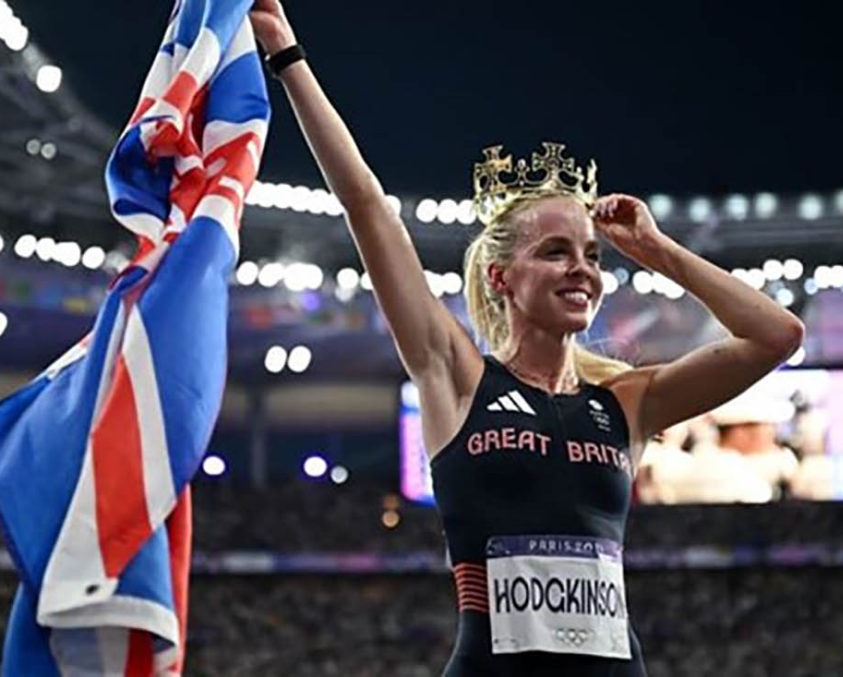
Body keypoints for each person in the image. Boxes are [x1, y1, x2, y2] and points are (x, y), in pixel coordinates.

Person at [249, 2, 804, 673]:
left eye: (593, 255)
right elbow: (368, 205)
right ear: (502, 276)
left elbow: (777, 335)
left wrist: (658, 251)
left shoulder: (625, 401)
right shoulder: (456, 376)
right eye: (555, 252)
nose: (581, 269)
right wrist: (287, 55)